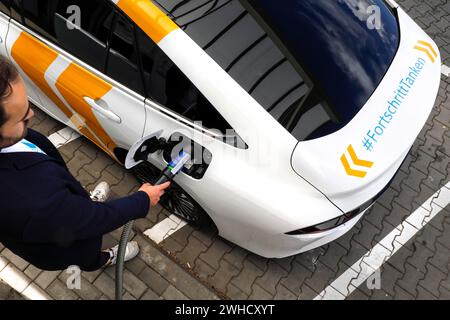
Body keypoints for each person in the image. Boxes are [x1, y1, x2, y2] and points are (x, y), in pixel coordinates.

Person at [0, 56, 170, 271]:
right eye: (22, 118)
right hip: (65, 243)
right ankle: (103, 259)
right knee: (85, 254)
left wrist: (70, 206)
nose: (32, 114)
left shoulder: (10, 142)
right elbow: (94, 219)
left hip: (60, 215)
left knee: (75, 209)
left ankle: (78, 204)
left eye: (28, 106)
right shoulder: (32, 202)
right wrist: (143, 200)